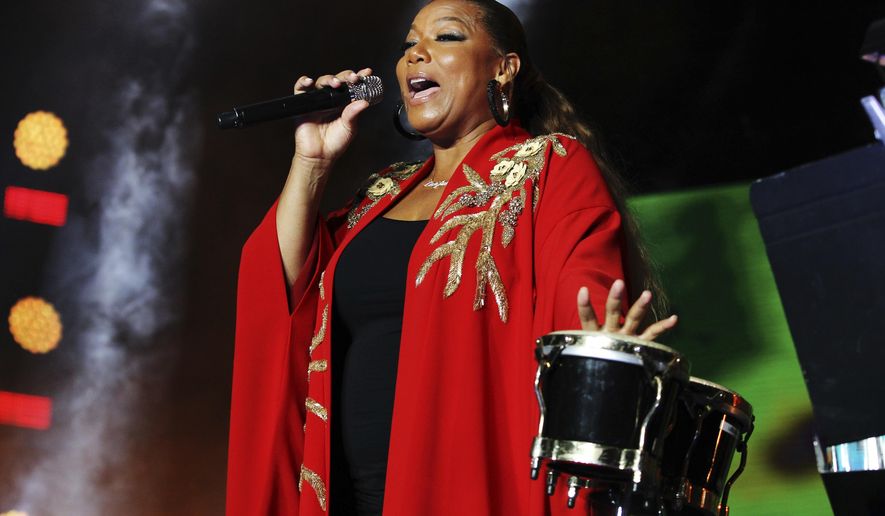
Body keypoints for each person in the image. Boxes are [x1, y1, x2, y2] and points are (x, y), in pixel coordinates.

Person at [226, 1, 678, 514]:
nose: (415, 54)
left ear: (504, 68)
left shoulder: (549, 168)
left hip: (466, 493)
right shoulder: (382, 193)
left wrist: (603, 350)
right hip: (347, 498)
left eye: (446, 38)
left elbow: (582, 301)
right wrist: (312, 160)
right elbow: (281, 287)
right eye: (407, 45)